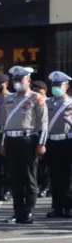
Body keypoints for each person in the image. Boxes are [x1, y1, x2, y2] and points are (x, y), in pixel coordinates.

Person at [1, 66, 48, 224]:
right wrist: (2, 143)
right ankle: (17, 212)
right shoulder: (9, 99)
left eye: (21, 80)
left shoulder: (36, 98)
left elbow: (43, 123)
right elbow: (3, 124)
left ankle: (27, 212)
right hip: (11, 140)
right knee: (15, 178)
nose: (18, 83)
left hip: (28, 140)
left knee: (29, 178)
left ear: (28, 81)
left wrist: (41, 143)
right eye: (15, 81)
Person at [44, 71, 72, 218]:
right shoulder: (47, 103)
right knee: (54, 176)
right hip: (52, 141)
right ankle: (57, 207)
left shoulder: (71, 103)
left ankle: (68, 207)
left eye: (59, 85)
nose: (56, 88)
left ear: (66, 86)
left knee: (67, 176)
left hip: (67, 141)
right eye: (54, 85)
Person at [32, 80, 50, 198]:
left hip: (50, 136)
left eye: (38, 90)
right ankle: (39, 185)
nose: (36, 92)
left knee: (48, 164)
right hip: (36, 134)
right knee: (38, 163)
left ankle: (47, 186)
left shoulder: (51, 102)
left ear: (44, 90)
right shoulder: (33, 101)